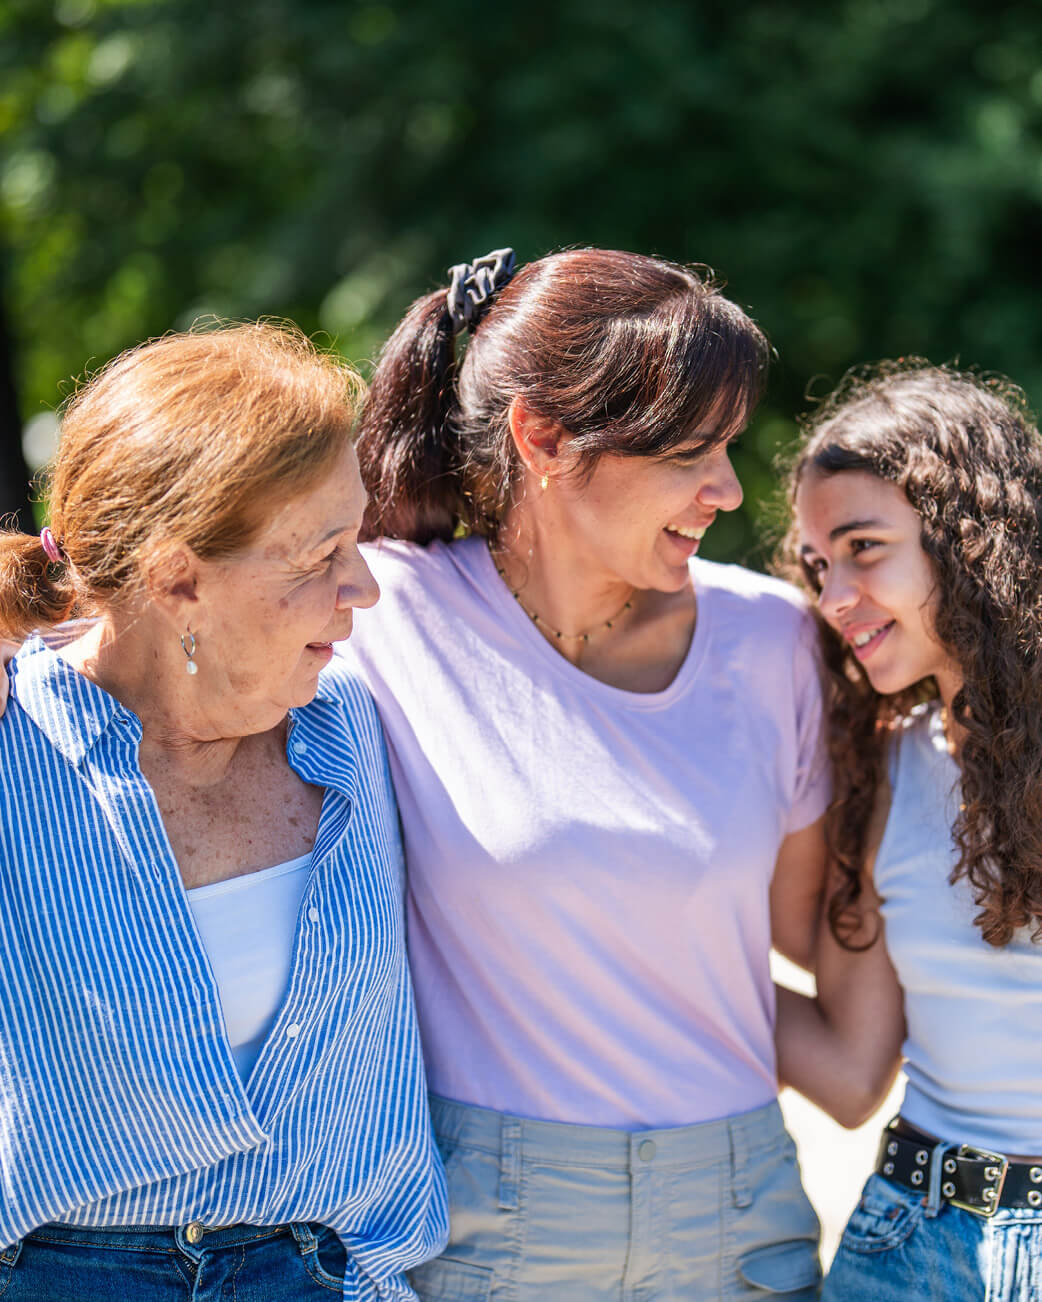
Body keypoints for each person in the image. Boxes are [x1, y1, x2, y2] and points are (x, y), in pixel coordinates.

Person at [343, 247, 830, 1300]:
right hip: (490, 1223)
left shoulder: (774, 639)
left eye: (731, 448)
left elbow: (817, 935)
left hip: (739, 1207)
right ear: (544, 437)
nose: (728, 490)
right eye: (690, 452)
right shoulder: (372, 618)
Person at [0, 324, 447, 1301]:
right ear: (177, 580)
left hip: (324, 1275)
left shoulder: (354, 732)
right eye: (322, 552)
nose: (362, 587)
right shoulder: (12, 740)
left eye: (357, 539)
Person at [776, 361, 1042, 1301]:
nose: (834, 594)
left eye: (862, 547)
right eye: (816, 564)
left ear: (969, 540)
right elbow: (851, 1074)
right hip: (905, 1238)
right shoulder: (883, 771)